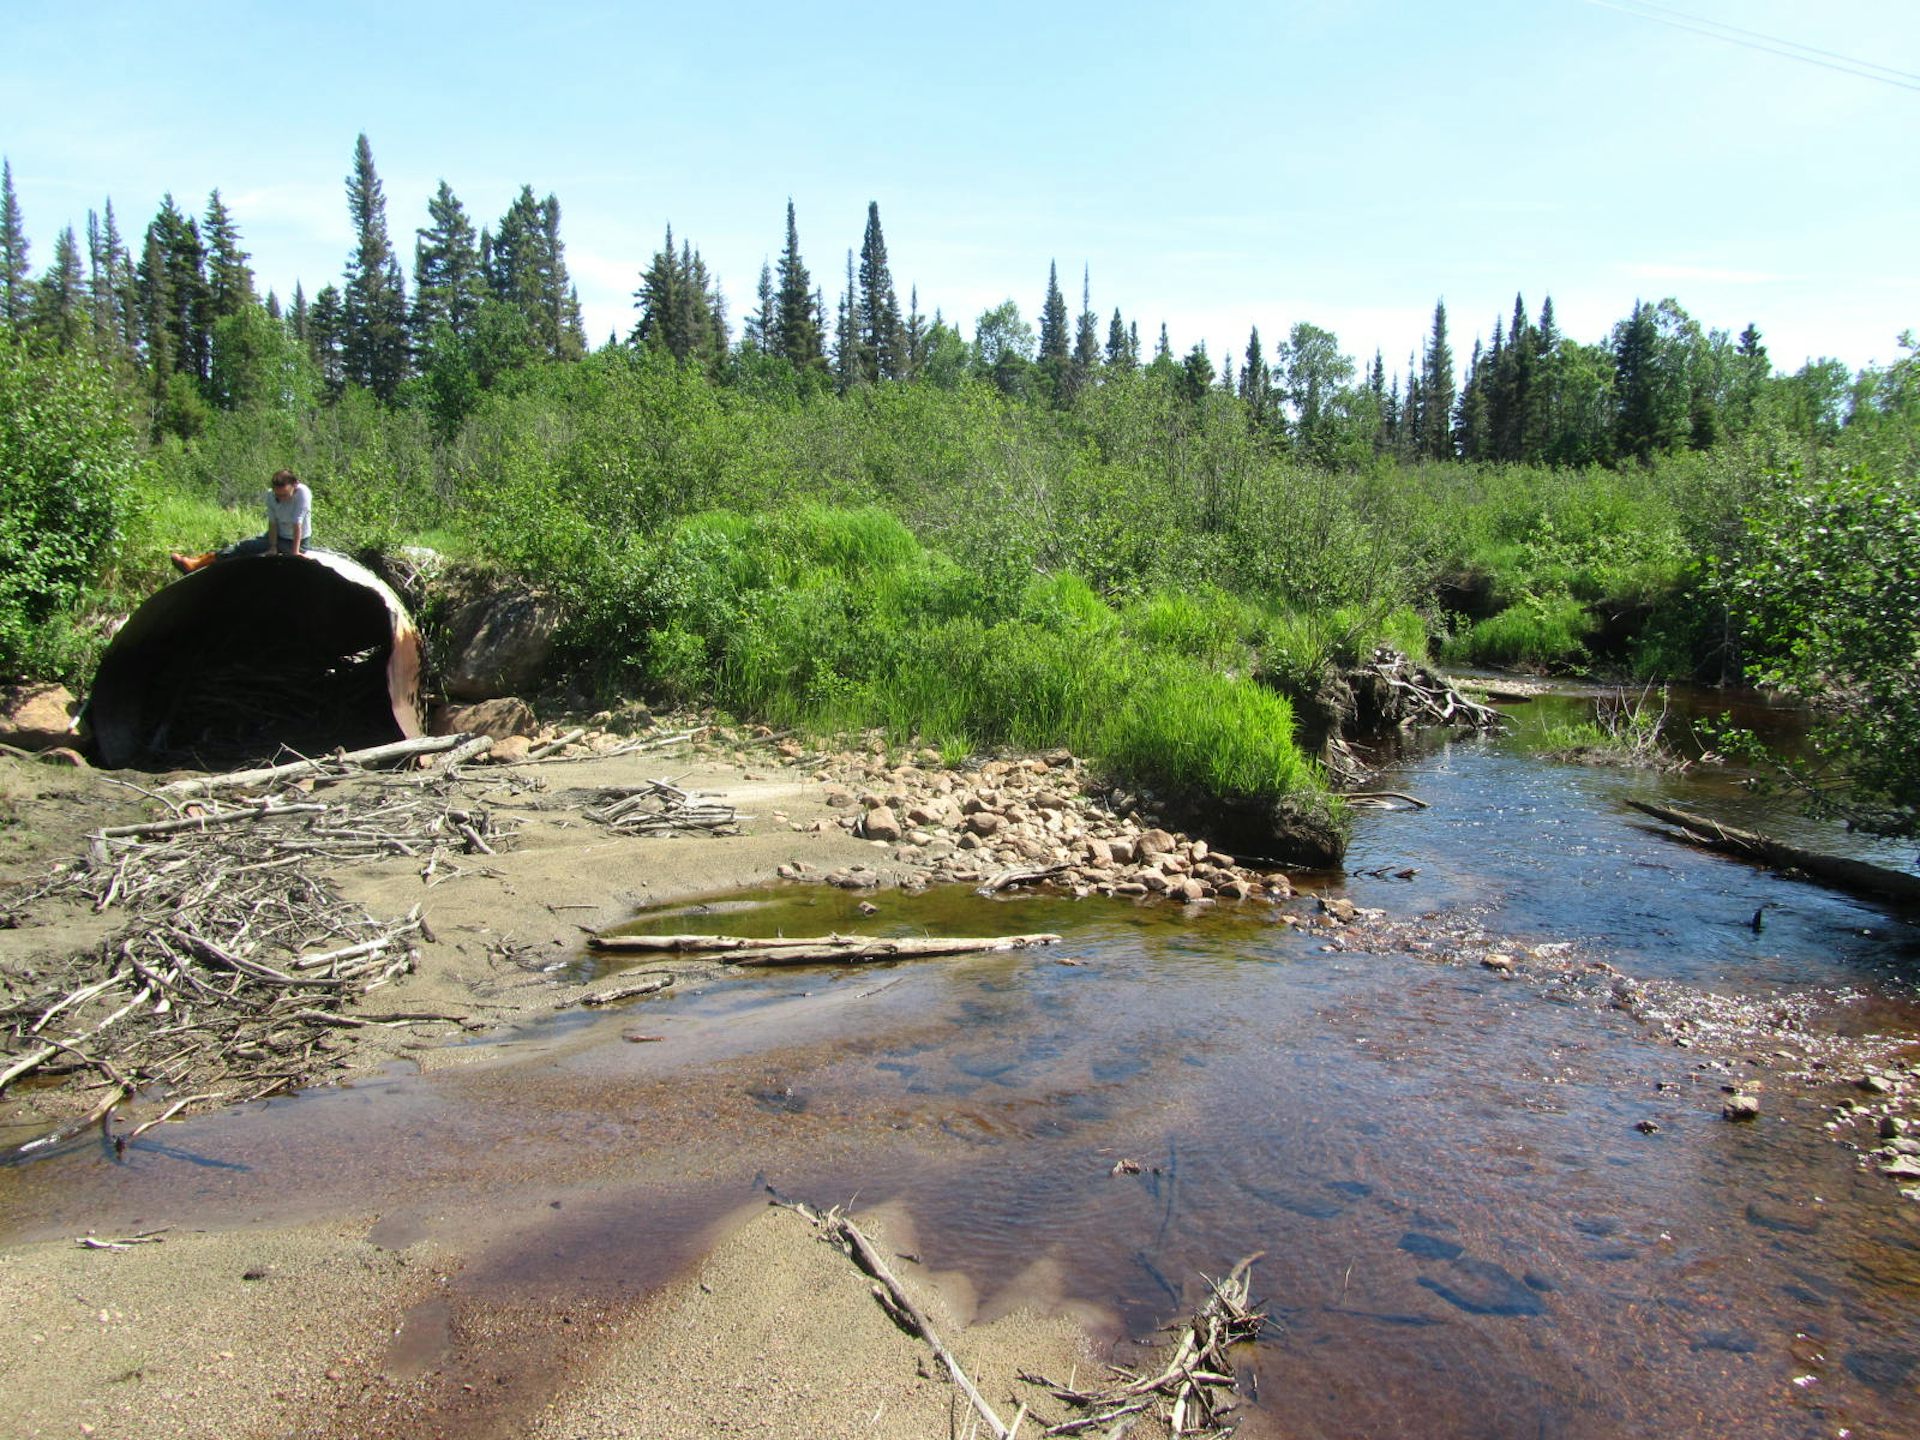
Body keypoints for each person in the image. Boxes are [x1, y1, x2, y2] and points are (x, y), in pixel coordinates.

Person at [170, 469, 315, 573]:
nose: (281, 499)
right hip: (278, 535)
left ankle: (196, 564)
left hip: (297, 541)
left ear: (295, 484)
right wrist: (272, 546)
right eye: (278, 495)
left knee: (245, 547)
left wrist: (295, 554)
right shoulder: (271, 496)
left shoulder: (303, 493)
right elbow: (272, 523)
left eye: (284, 495)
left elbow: (298, 523)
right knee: (249, 546)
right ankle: (199, 562)